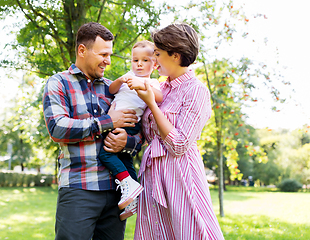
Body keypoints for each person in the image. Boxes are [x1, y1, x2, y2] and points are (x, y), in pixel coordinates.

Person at [42, 22, 141, 240]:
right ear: (82, 50)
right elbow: (57, 128)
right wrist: (107, 121)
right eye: (103, 54)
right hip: (79, 189)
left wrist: (126, 142)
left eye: (110, 54)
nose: (108, 60)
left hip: (115, 191)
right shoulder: (59, 83)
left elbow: (139, 135)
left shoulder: (113, 88)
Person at [132, 23, 225, 239]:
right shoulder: (160, 88)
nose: (153, 61)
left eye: (158, 54)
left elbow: (180, 144)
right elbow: (149, 134)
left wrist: (152, 106)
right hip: (153, 175)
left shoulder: (196, 91)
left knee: (190, 231)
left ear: (175, 55)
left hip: (180, 176)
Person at [98, 40, 163, 220]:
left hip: (129, 124)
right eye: (135, 60)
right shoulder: (127, 76)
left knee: (105, 154)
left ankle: (128, 183)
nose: (139, 64)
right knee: (125, 160)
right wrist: (120, 80)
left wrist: (142, 85)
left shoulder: (152, 82)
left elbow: (159, 97)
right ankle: (133, 196)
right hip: (115, 121)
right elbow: (111, 90)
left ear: (155, 64)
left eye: (145, 60)